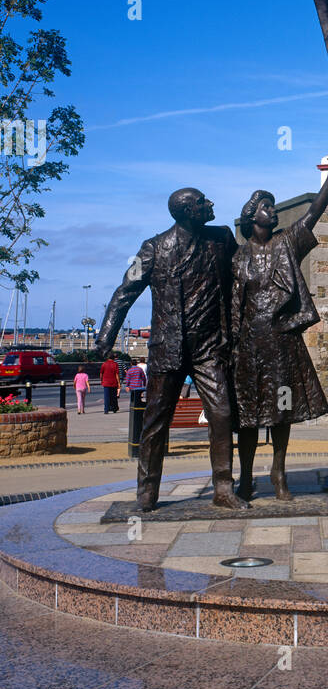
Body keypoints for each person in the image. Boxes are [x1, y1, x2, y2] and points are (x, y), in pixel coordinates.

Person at [95, 188, 244, 512]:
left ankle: (223, 488)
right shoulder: (152, 249)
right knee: (155, 421)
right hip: (169, 348)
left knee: (221, 415)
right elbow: (125, 291)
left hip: (209, 347)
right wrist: (106, 336)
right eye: (204, 201)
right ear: (188, 211)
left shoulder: (222, 238)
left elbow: (241, 278)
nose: (211, 204)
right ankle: (147, 493)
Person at [232, 162, 328, 501]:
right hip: (248, 345)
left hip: (280, 342)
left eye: (274, 207)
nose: (273, 212)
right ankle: (246, 477)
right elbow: (231, 305)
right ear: (252, 216)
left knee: (282, 411)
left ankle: (278, 474)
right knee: (248, 415)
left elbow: (313, 214)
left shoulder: (286, 243)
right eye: (266, 207)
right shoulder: (238, 257)